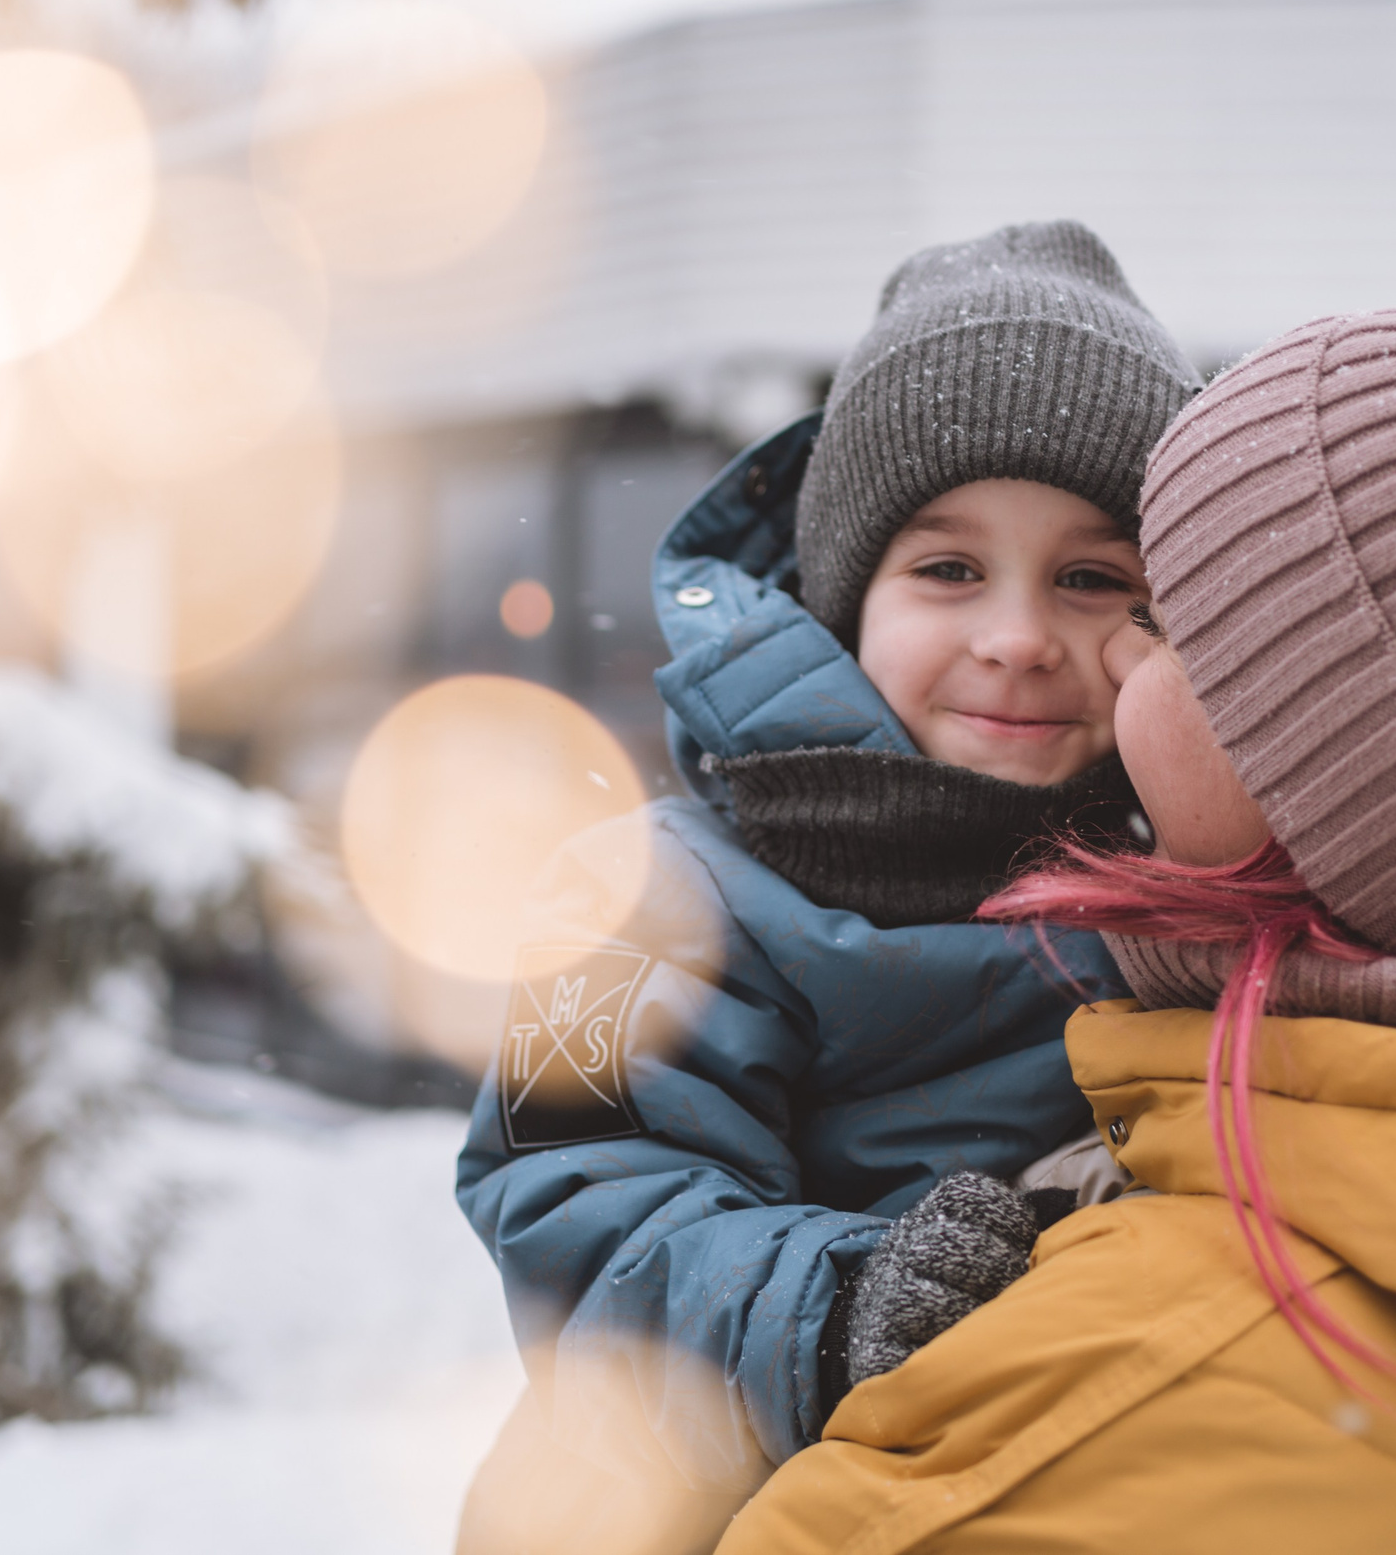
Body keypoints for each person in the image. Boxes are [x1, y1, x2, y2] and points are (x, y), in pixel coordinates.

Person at [718, 296, 1396, 1555]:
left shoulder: (1099, 1423)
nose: (1095, 661)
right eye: (948, 569)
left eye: (1169, 620)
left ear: (1347, 776)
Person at [452, 222, 1201, 1553]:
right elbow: (583, 1199)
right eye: (949, 568)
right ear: (842, 596)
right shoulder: (663, 893)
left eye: (1092, 577)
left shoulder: (1179, 886)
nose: (1020, 637)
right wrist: (832, 1300)